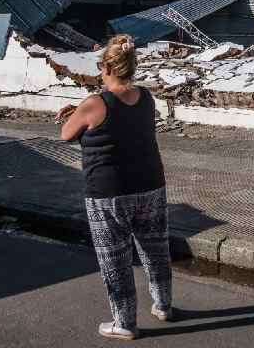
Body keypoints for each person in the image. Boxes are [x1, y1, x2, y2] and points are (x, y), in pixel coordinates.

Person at [57, 34, 172, 341]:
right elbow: (123, 123)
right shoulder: (147, 97)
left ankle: (124, 323)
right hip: (151, 185)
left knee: (115, 259)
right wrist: (82, 110)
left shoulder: (94, 103)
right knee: (156, 250)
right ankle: (163, 305)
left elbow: (67, 134)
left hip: (109, 193)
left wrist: (75, 112)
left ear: (106, 67)